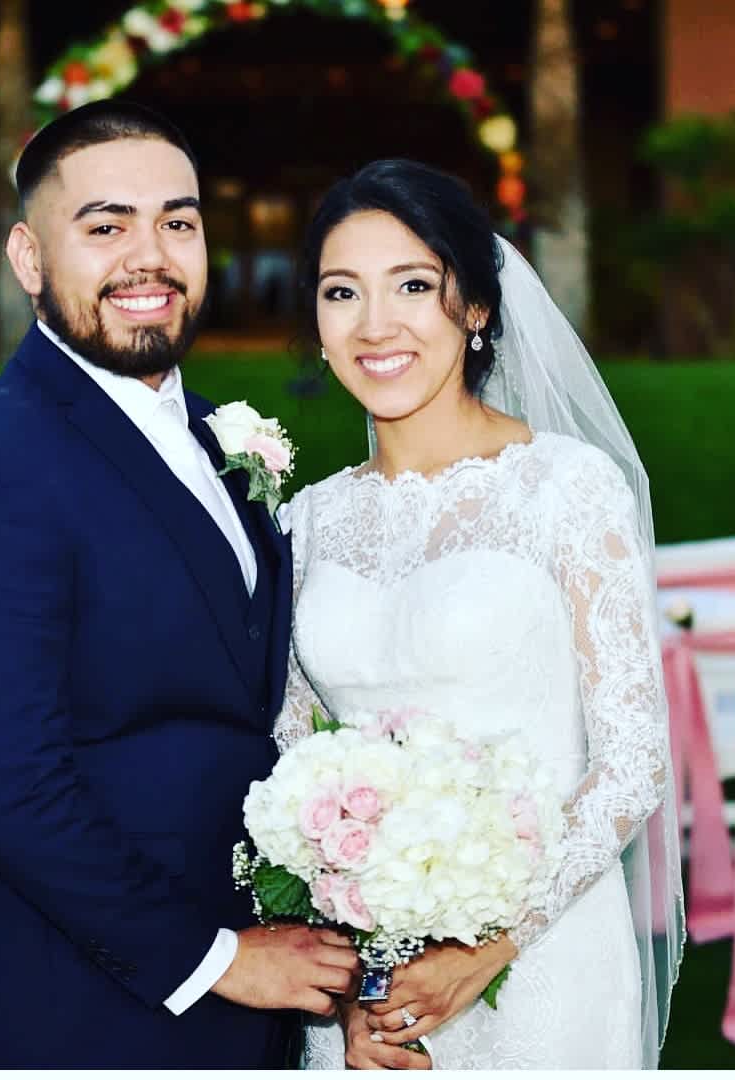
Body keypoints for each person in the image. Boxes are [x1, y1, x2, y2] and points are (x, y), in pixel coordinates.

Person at [0, 99, 357, 1068]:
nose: (150, 257)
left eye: (177, 222)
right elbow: (7, 788)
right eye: (106, 227)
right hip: (84, 1010)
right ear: (28, 259)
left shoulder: (219, 434)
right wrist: (217, 960)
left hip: (262, 997)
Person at [274, 159, 684, 1070]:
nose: (374, 324)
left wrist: (490, 946)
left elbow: (632, 763)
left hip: (543, 960)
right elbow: (291, 764)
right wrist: (347, 996)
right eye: (342, 292)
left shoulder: (566, 488)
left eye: (413, 286)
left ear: (477, 309)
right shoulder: (307, 523)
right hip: (374, 996)